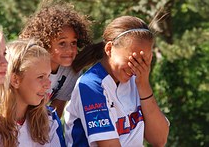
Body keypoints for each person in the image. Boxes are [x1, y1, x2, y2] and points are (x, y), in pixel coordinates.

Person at [64, 16, 170, 147]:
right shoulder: (91, 85)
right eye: (133, 60)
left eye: (144, 61)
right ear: (109, 49)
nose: (136, 67)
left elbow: (159, 139)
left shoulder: (136, 81)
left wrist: (144, 85)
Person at [19, 0, 92, 117]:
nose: (70, 50)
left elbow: (56, 112)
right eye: (62, 43)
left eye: (73, 43)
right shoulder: (28, 67)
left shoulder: (72, 71)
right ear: (44, 43)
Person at [0, 39, 65, 146]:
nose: (48, 84)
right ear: (15, 80)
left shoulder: (49, 119)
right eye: (40, 77)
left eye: (48, 75)